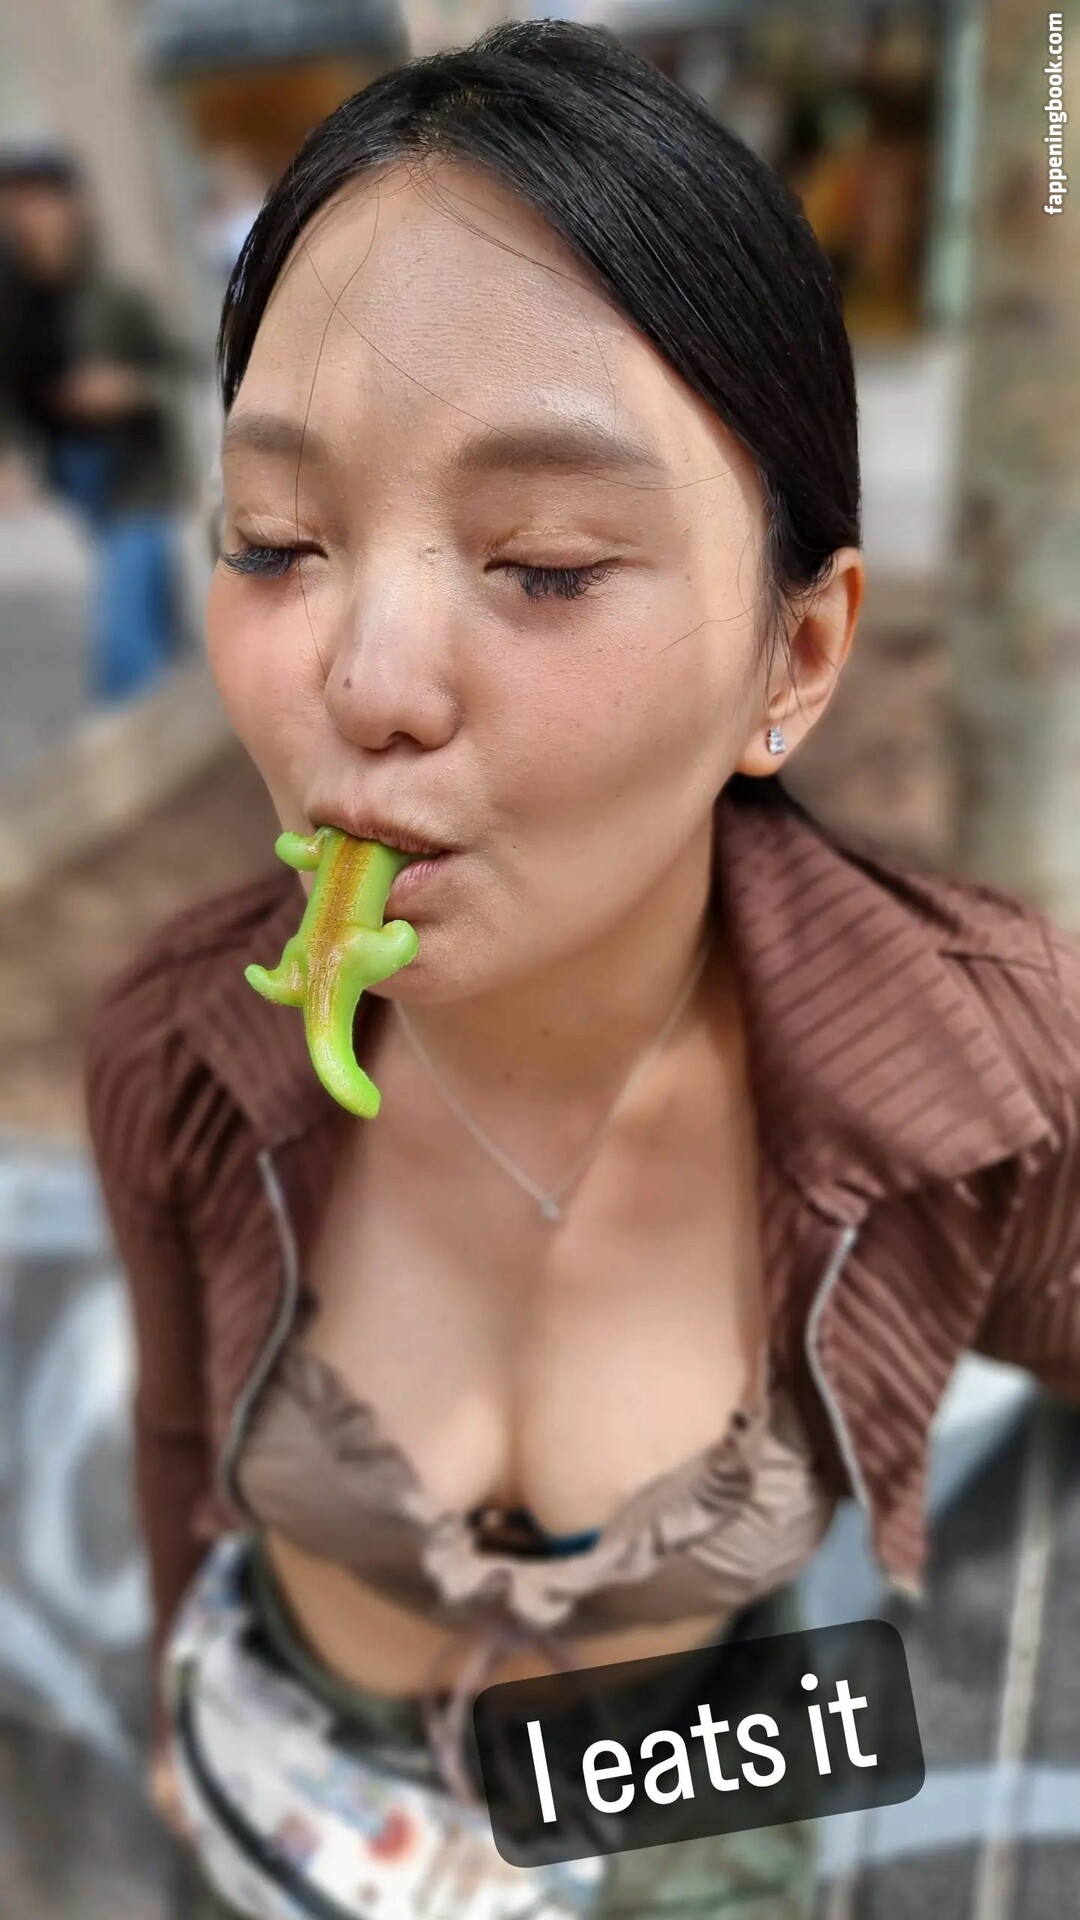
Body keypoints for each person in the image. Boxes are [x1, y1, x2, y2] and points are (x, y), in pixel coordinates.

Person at [81, 19, 1080, 1919]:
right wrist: (166, 1699)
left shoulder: (990, 1077)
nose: (367, 684)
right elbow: (178, 1433)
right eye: (276, 541)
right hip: (300, 1800)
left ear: (795, 657)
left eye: (542, 563)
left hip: (697, 1802)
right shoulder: (178, 1056)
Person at [0, 146, 193, 703]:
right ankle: (184, 697)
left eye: (40, 201)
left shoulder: (116, 294)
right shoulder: (15, 301)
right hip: (76, 471)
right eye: (17, 205)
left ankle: (136, 721)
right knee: (148, 599)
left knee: (124, 628)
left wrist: (129, 388)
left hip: (137, 468)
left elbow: (178, 367)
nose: (30, 218)